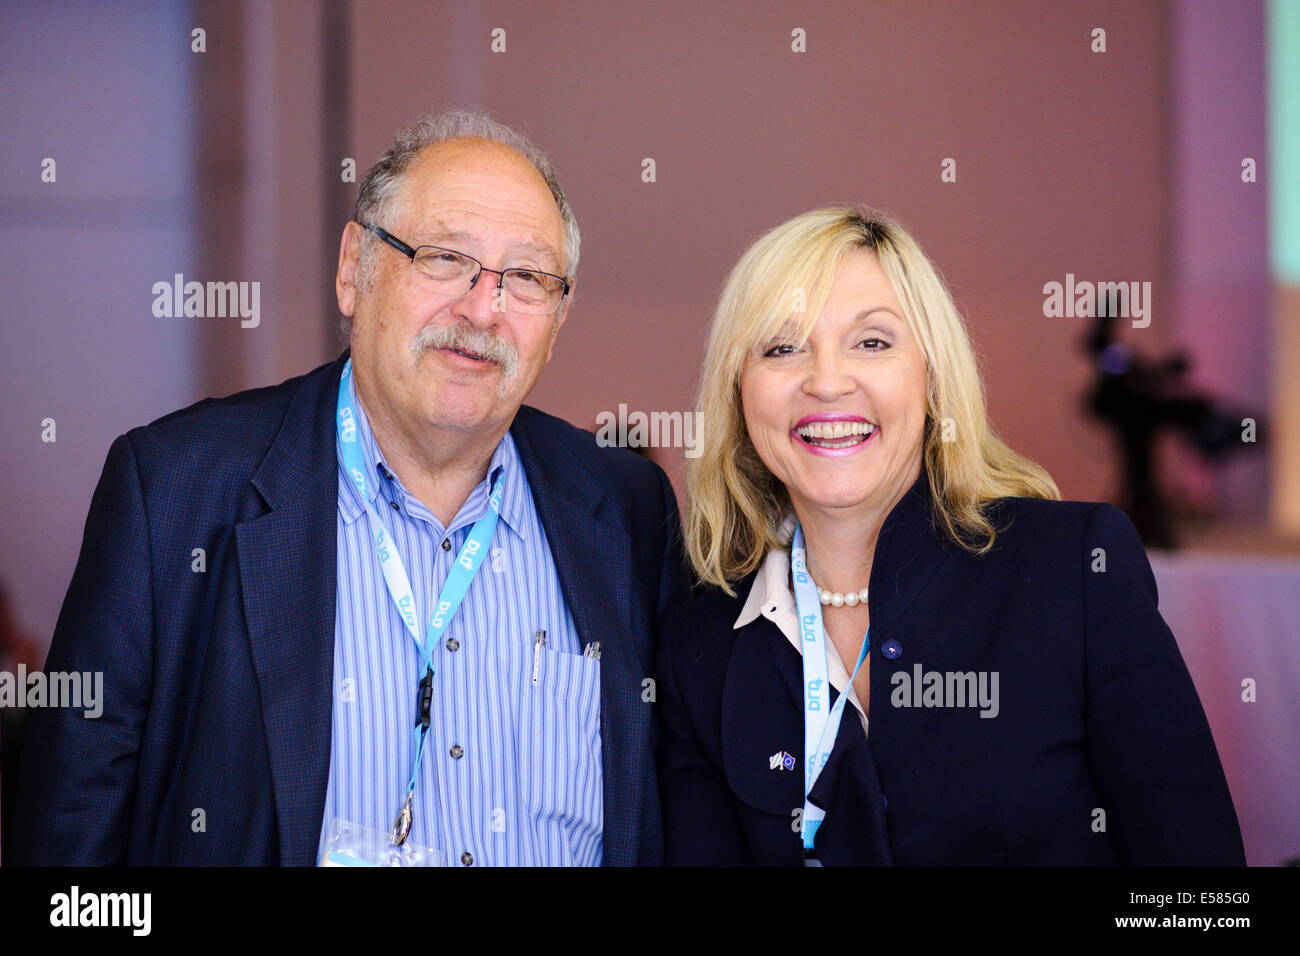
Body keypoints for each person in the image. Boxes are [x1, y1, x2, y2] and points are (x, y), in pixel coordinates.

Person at [13, 109, 688, 866]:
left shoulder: (627, 510)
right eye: (442, 258)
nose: (481, 308)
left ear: (559, 319)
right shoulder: (173, 492)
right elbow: (67, 856)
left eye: (526, 277)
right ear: (353, 269)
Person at [657, 206, 1245, 866]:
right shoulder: (697, 646)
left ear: (932, 376)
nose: (825, 381)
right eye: (782, 347)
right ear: (738, 390)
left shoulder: (1074, 571)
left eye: (872, 342)